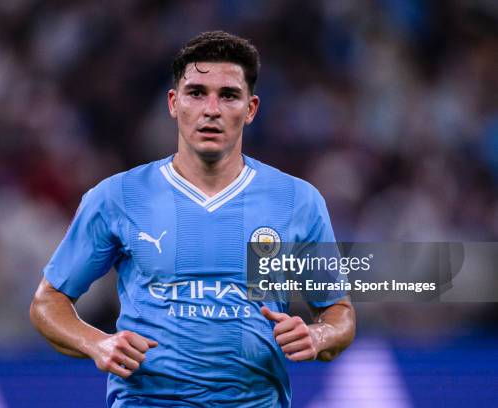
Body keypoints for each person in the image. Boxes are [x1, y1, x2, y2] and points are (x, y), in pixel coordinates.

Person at [30, 31, 355, 407]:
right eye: (197, 93)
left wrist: (318, 336)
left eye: (228, 95)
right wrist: (97, 342)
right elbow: (48, 301)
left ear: (251, 109)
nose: (211, 109)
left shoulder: (297, 201)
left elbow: (338, 312)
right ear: (174, 103)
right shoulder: (117, 197)